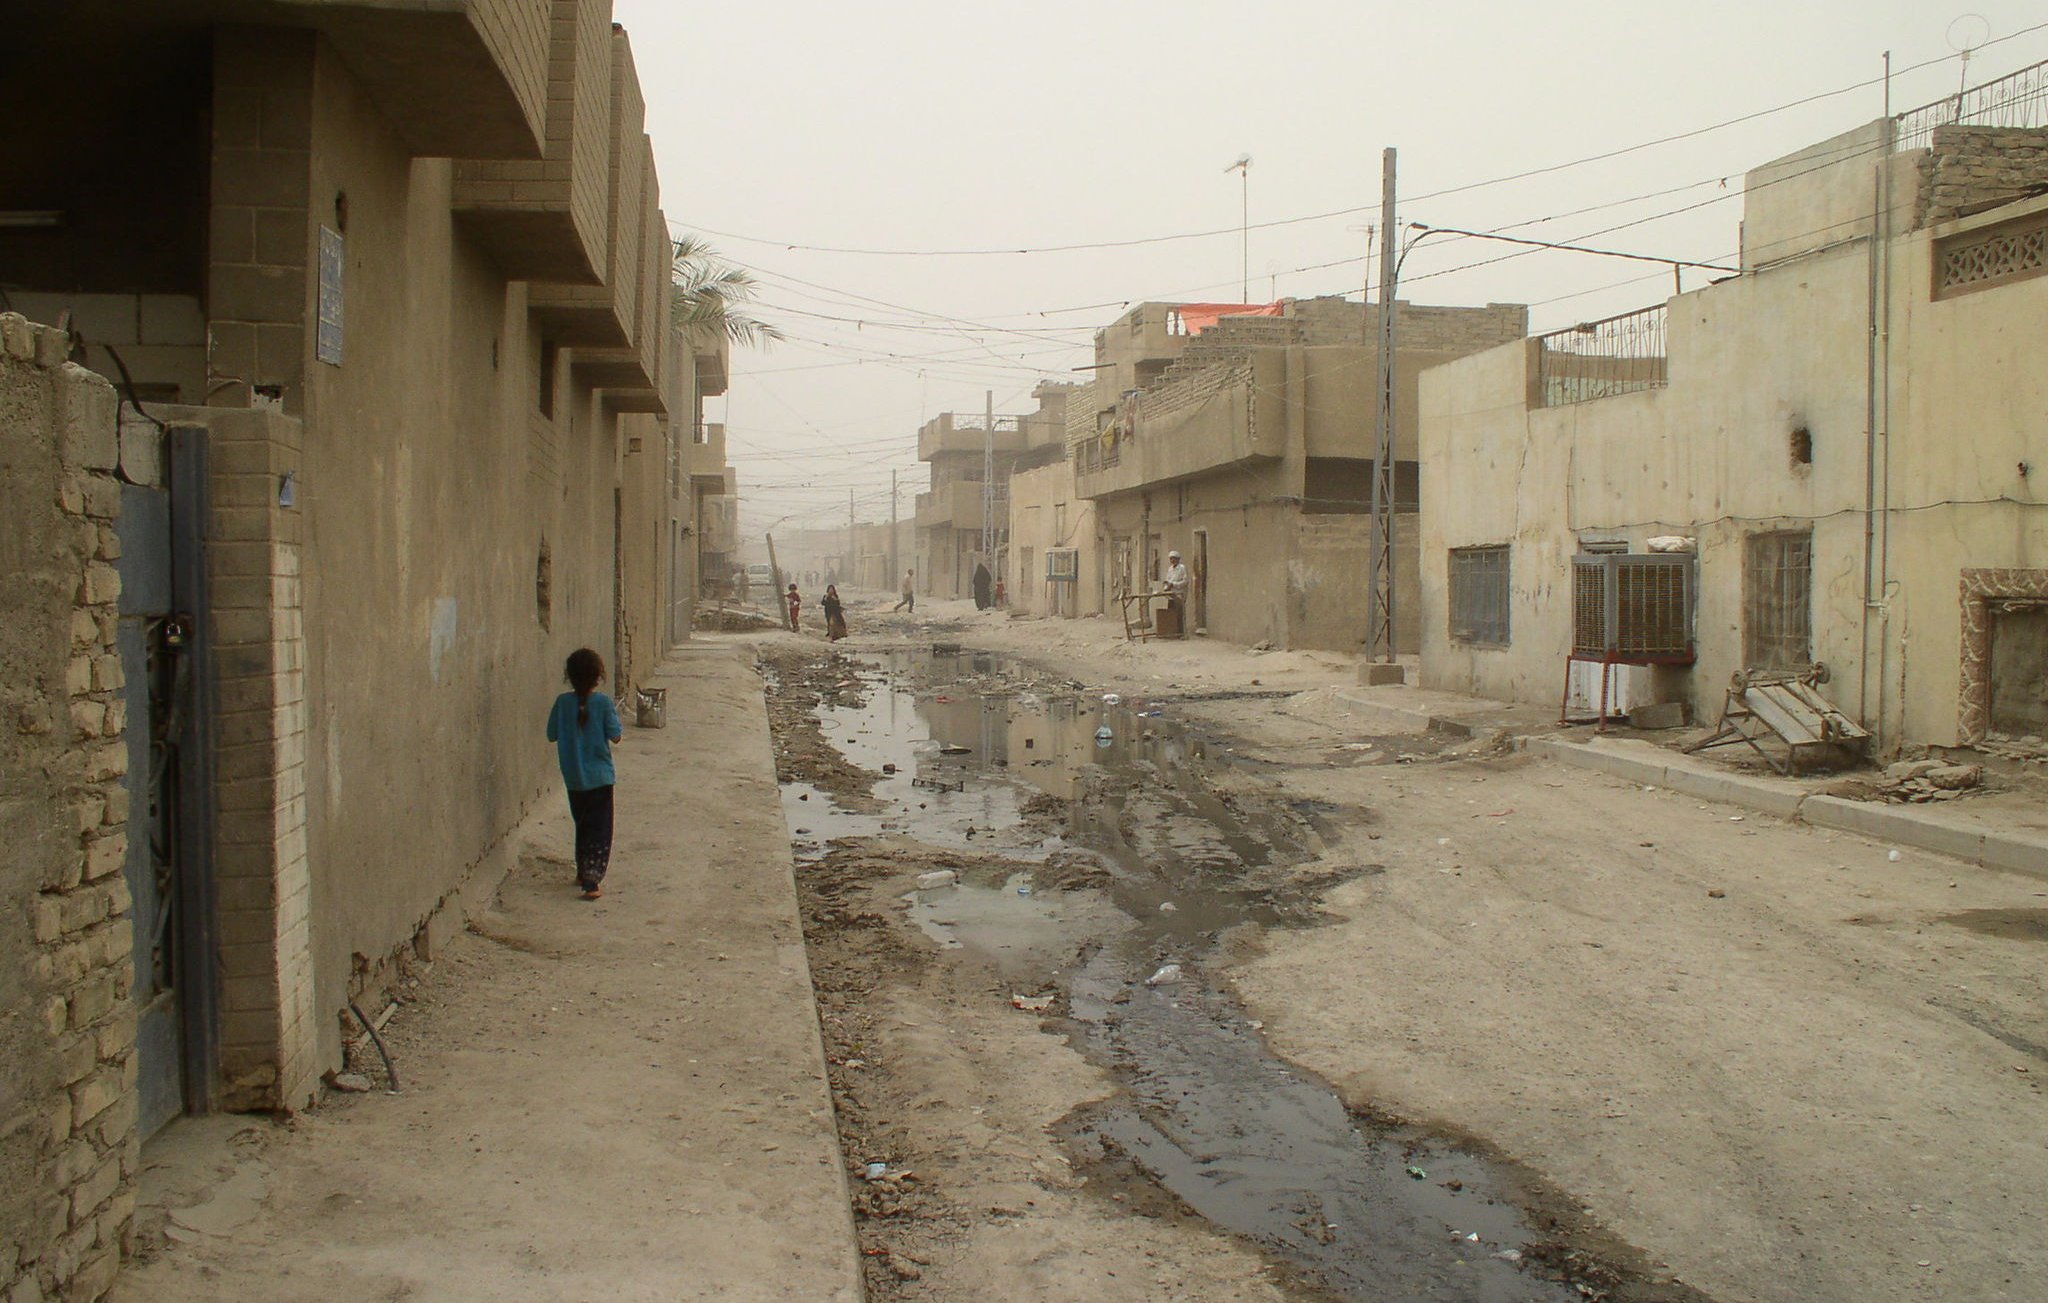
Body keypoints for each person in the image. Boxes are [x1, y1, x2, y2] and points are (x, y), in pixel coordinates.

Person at [546, 648, 623, 900]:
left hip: (574, 779)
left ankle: (582, 870)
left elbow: (551, 734)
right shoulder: (602, 703)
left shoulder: (561, 703)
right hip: (600, 777)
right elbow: (616, 736)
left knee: (582, 824)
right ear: (598, 675)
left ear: (569, 675)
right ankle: (591, 881)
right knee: (599, 829)